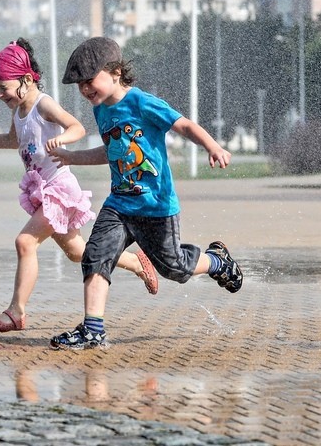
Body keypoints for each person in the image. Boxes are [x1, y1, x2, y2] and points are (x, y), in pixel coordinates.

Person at [48, 36, 244, 350]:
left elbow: (184, 126)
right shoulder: (101, 111)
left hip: (155, 207)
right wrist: (74, 157)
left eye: (89, 81)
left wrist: (213, 146)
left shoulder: (141, 102)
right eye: (79, 85)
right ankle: (93, 330)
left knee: (175, 269)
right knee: (95, 255)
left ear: (114, 72)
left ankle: (217, 261)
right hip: (119, 205)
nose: (84, 90)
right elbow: (112, 151)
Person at [0, 38, 158, 334]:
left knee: (25, 242)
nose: (0, 94)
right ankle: (136, 262)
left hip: (59, 188)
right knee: (79, 253)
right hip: (42, 190)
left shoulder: (44, 104)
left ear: (26, 79)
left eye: (4, 87)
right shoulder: (18, 111)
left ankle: (16, 312)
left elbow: (76, 126)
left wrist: (63, 140)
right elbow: (14, 140)